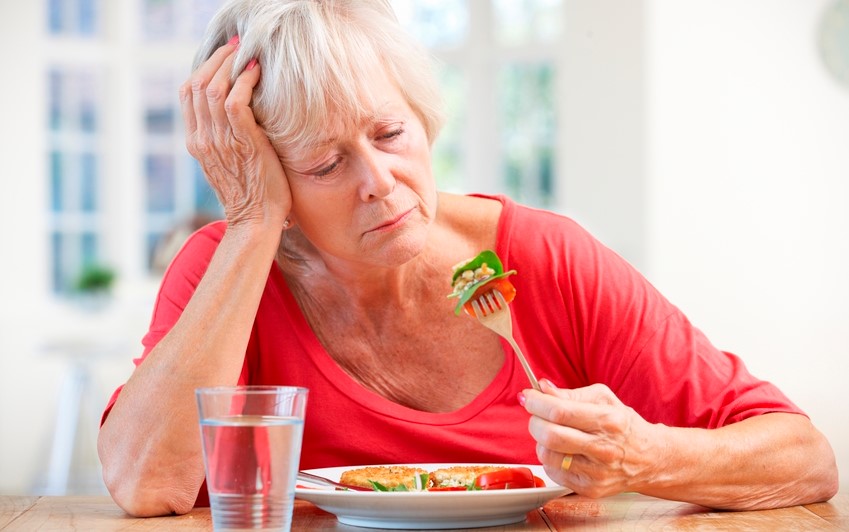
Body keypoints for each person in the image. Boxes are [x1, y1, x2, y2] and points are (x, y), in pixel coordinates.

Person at [97, 0, 838, 517]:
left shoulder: (543, 258)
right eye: (324, 165)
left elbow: (803, 458)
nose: (380, 183)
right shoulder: (226, 266)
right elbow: (146, 484)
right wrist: (253, 222)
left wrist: (646, 457)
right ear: (261, 172)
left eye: (389, 134)